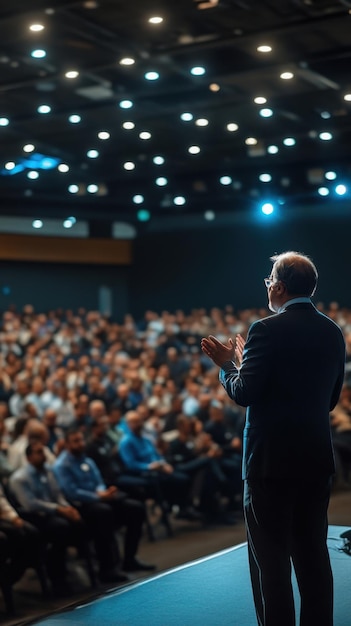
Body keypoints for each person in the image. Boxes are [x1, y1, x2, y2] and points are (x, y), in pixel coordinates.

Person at [201, 251, 345, 626]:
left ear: (279, 286)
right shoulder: (332, 331)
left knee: (271, 563)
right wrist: (247, 366)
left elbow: (245, 393)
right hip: (314, 460)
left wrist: (228, 367)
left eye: (268, 279)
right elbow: (330, 401)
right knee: (314, 557)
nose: (267, 284)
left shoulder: (265, 329)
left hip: (269, 464)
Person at [53, 428, 155, 579]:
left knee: (135, 508)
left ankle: (129, 559)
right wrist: (98, 496)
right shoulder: (61, 465)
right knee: (103, 512)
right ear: (66, 445)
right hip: (81, 506)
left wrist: (103, 492)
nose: (81, 444)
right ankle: (107, 568)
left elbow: (99, 481)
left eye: (81, 440)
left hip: (100, 499)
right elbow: (72, 493)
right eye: (76, 441)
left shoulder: (86, 459)